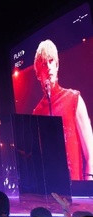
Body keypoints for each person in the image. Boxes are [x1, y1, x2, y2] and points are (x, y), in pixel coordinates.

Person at [32, 39, 93, 181]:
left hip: (76, 185)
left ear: (57, 65)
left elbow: (90, 153)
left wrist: (87, 187)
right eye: (43, 64)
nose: (48, 67)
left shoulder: (73, 99)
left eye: (51, 61)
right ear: (38, 74)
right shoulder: (37, 112)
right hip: (50, 186)